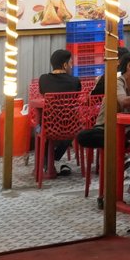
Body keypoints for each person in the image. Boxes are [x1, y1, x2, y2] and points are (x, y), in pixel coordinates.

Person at [37, 48, 81, 176]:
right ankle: (54, 158)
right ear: (65, 65)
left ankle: (47, 160)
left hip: (48, 126)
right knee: (71, 127)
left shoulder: (43, 79)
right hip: (70, 127)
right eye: (71, 63)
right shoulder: (75, 81)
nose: (72, 66)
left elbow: (42, 94)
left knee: (39, 126)